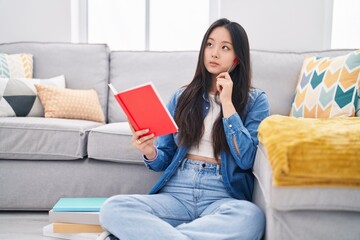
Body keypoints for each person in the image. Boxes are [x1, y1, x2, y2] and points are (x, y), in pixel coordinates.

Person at [99, 18, 269, 240]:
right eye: (210, 44)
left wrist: (227, 104)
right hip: (177, 193)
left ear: (236, 59)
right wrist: (149, 151)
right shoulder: (181, 97)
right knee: (113, 207)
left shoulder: (256, 100)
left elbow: (246, 158)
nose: (214, 53)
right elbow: (164, 159)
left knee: (251, 218)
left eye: (224, 47)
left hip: (221, 196)